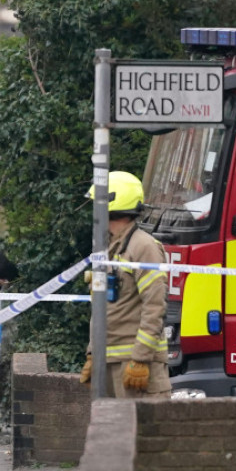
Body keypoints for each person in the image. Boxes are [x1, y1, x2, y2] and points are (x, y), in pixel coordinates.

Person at [80, 171, 171, 399]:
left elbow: (154, 307)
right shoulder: (106, 248)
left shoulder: (144, 247)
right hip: (107, 362)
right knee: (111, 433)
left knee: (143, 432)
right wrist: (93, 353)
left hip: (136, 364)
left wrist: (140, 358)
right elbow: (99, 307)